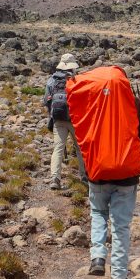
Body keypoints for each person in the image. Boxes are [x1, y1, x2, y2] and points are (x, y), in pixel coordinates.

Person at [69, 66, 140, 279]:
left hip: (98, 170)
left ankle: (98, 258)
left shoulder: (91, 103)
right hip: (126, 173)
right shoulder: (134, 102)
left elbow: (80, 130)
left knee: (98, 213)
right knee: (121, 226)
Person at [44, 53, 86, 189]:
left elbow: (46, 101)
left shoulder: (52, 80)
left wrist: (52, 115)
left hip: (58, 119)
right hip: (75, 120)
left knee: (58, 148)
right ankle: (84, 176)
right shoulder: (76, 79)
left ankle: (55, 179)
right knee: (80, 148)